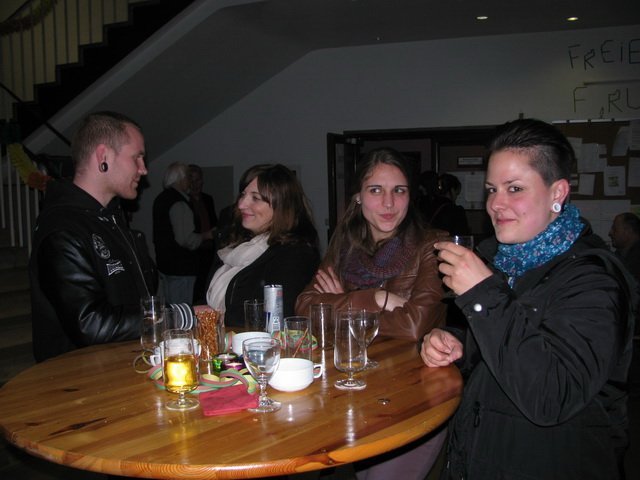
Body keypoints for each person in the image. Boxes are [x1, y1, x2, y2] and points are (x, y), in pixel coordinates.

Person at [421, 118, 636, 479]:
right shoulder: (503, 262)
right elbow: (503, 348)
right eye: (491, 189)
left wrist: (481, 294)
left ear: (557, 193)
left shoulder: (594, 279)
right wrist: (455, 343)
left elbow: (551, 396)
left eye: (515, 188)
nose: (496, 204)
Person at [295, 147, 448, 479]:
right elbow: (305, 308)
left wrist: (340, 302)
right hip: (352, 392)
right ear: (358, 197)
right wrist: (376, 297)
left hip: (414, 395)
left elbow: (415, 326)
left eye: (399, 190)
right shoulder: (343, 247)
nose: (388, 203)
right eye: (376, 190)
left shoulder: (433, 246)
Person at [29, 111, 158, 362]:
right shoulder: (62, 228)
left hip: (123, 367)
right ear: (103, 156)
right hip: (80, 378)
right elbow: (90, 325)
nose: (143, 169)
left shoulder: (111, 219)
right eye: (137, 157)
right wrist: (174, 316)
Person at [206, 164, 319, 328]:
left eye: (256, 198)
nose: (241, 204)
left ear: (281, 205)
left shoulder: (295, 253)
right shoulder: (238, 245)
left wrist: (213, 317)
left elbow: (277, 315)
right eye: (243, 195)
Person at [153, 162, 214, 304]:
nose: (190, 182)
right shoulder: (179, 203)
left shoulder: (161, 198)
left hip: (166, 265)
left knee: (171, 308)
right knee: (182, 311)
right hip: (181, 268)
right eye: (188, 177)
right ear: (180, 179)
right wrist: (207, 235)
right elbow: (186, 239)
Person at [188, 164, 218, 304]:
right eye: (192, 180)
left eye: (198, 180)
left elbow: (213, 222)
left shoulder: (208, 199)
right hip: (194, 251)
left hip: (209, 249)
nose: (195, 184)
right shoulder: (185, 201)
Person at [610, 212, 640, 283]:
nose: (610, 233)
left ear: (628, 231)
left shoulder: (637, 259)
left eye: (614, 229)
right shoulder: (620, 254)